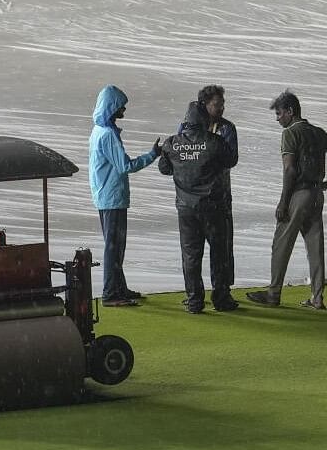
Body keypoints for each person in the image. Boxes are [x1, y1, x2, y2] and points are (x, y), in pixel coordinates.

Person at [245, 90, 327, 309]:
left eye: (279, 113)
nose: (278, 118)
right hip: (317, 194)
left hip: (298, 194)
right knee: (315, 247)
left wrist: (283, 202)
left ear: (290, 111)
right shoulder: (318, 132)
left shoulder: (290, 133)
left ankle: (273, 293)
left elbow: (290, 170)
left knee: (281, 243)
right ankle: (317, 297)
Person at [160, 101, 240, 314]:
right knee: (218, 253)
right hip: (213, 207)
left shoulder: (171, 144)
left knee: (190, 255)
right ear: (204, 120)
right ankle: (221, 298)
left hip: (185, 209)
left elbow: (164, 169)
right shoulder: (215, 142)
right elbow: (231, 160)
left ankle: (195, 299)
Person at [89, 84, 160, 307]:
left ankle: (118, 286)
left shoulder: (98, 130)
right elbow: (125, 166)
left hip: (105, 194)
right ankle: (111, 292)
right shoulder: (108, 134)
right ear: (113, 107)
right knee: (114, 246)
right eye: (122, 106)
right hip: (112, 197)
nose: (124, 110)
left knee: (115, 245)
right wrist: (153, 155)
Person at [177, 85, 238, 289]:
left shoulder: (227, 128)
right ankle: (199, 293)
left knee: (222, 247)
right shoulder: (185, 128)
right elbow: (180, 157)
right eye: (216, 104)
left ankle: (222, 289)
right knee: (194, 250)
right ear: (203, 105)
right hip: (193, 196)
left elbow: (232, 160)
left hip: (219, 195)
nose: (221, 108)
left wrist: (204, 162)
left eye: (222, 104)